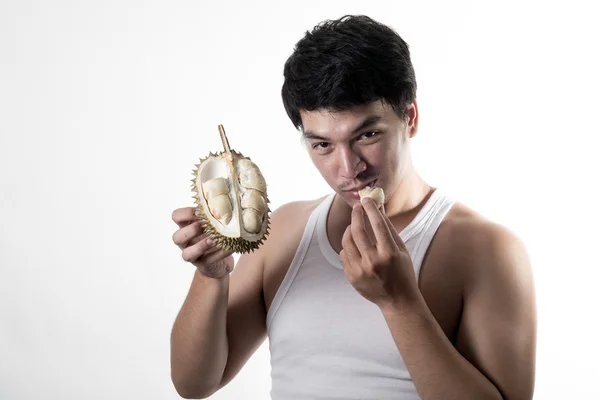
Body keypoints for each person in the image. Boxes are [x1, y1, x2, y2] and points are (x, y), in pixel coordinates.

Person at [169, 15, 537, 400]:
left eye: (367, 135)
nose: (349, 169)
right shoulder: (286, 231)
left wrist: (400, 303)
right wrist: (211, 276)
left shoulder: (488, 250)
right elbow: (194, 384)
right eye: (322, 145)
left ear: (409, 118)